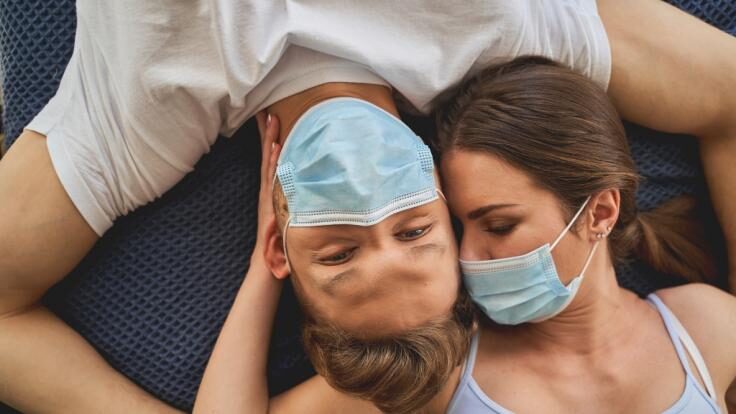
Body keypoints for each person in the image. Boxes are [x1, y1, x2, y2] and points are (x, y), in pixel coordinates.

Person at [2, 0, 736, 412]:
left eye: (341, 252)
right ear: (451, 207)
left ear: (284, 247)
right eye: (416, 231)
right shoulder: (502, 33)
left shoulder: (142, 121)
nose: (370, 210)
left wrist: (265, 272)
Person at [195, 57, 736, 413]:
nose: (470, 255)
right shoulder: (442, 371)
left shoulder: (706, 328)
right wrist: (269, 259)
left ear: (599, 212)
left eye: (498, 225)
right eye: (457, 226)